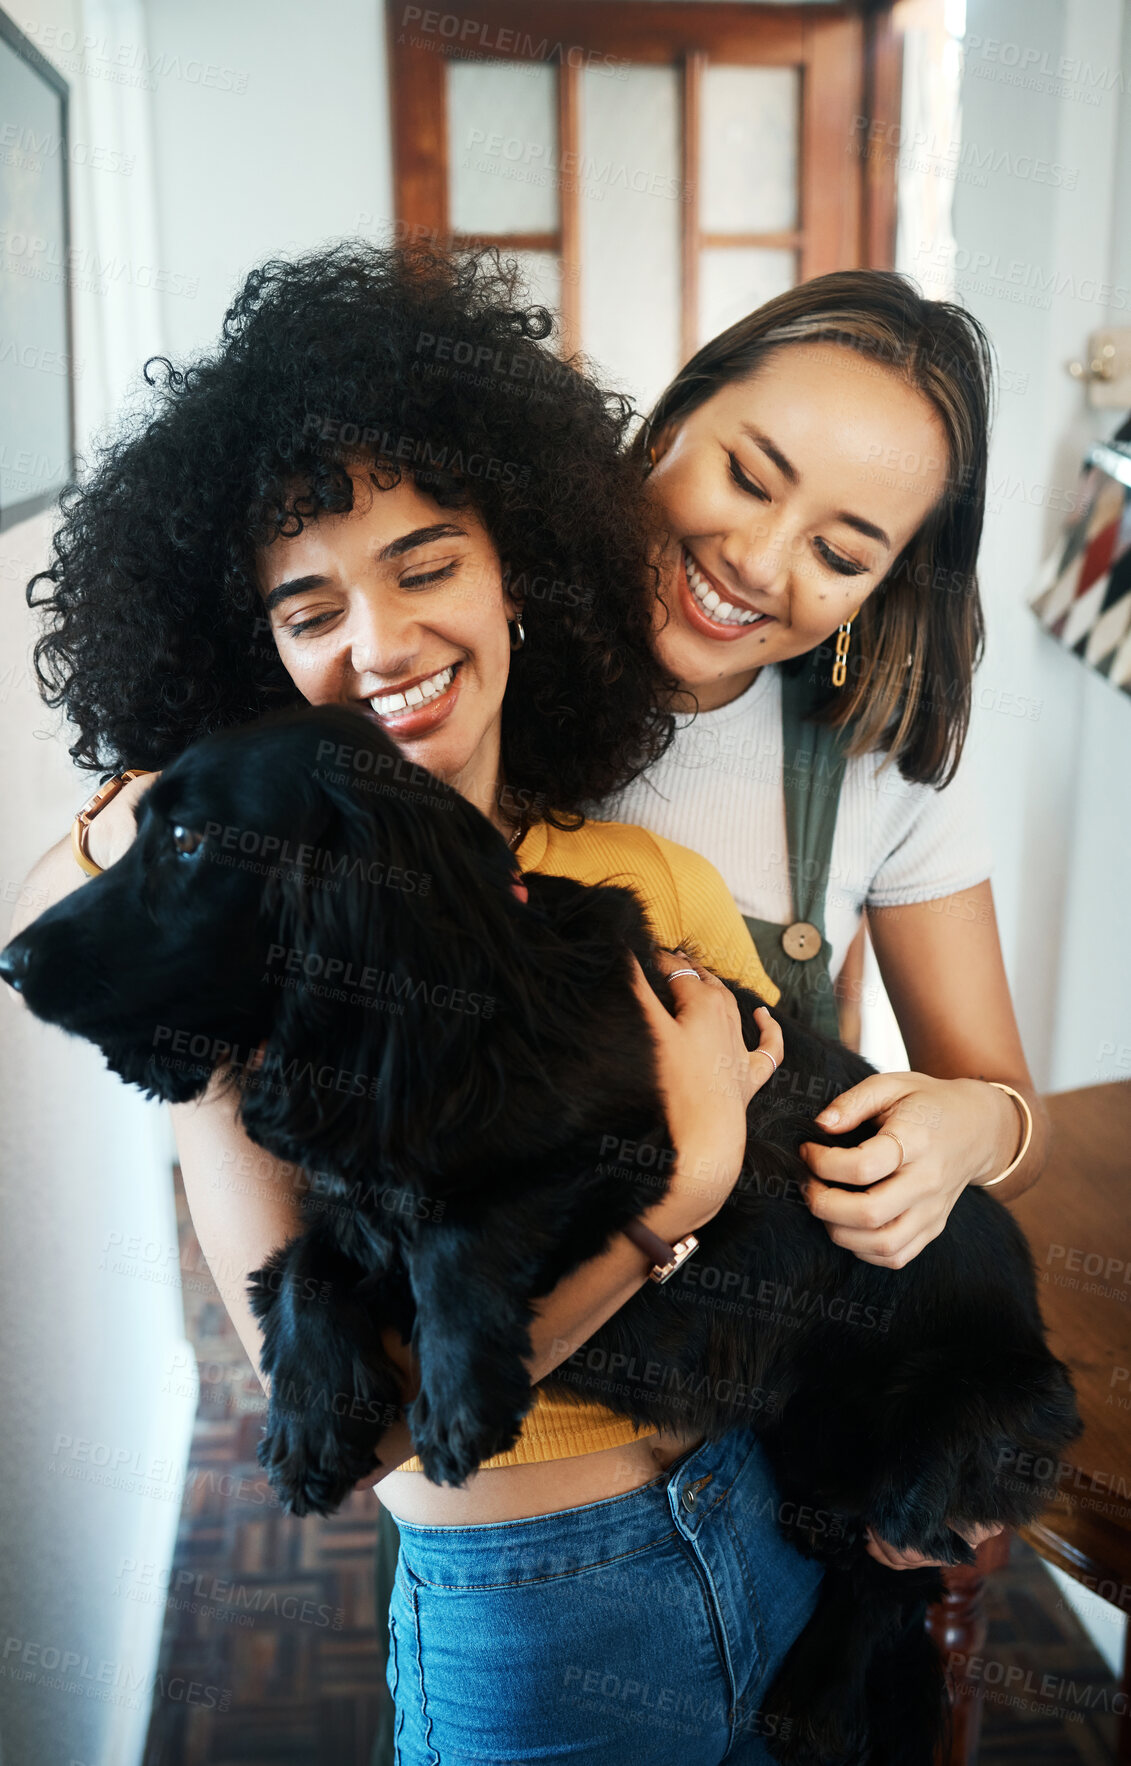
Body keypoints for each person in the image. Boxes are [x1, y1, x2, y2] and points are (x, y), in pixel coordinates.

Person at [12, 245, 835, 1765]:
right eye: (306, 605)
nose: (379, 643)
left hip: (770, 1526)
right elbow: (359, 1435)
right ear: (249, 650)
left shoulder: (650, 876)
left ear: (517, 567)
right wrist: (682, 1194)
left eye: (425, 563)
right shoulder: (246, 962)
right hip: (534, 1610)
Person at [606, 272, 1044, 1346]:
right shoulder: (472, 661)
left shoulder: (878, 763)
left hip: (758, 1385)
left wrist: (968, 1129)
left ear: (882, 587)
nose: (757, 562)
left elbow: (1017, 1117)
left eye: (840, 553)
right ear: (668, 422)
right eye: (749, 478)